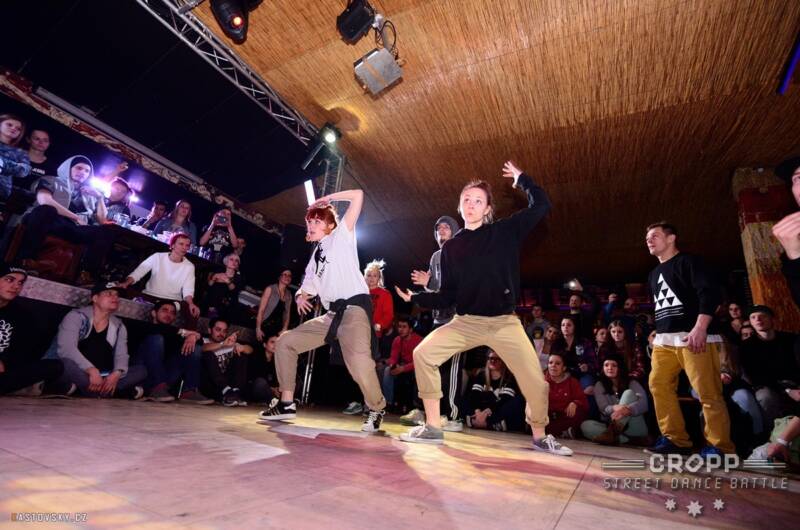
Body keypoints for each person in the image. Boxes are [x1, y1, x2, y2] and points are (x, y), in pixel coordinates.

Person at [395, 161, 572, 455]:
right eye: (466, 199)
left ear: (488, 208)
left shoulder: (504, 231)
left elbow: (541, 206)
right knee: (423, 354)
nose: (471, 205)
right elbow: (448, 296)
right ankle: (433, 426)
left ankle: (541, 437)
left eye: (478, 201)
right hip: (466, 322)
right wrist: (417, 298)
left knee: (536, 383)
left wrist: (522, 180)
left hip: (504, 322)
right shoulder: (451, 248)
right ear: (459, 206)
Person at [258, 189, 387, 433]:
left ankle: (377, 407)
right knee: (285, 342)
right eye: (309, 222)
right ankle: (286, 403)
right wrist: (300, 296)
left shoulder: (341, 236)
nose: (311, 225)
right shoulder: (315, 257)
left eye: (317, 221)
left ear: (330, 225)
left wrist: (329, 199)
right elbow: (307, 288)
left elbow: (358, 195)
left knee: (359, 363)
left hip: (354, 309)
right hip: (331, 315)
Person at [645, 221, 734, 456]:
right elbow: (662, 307)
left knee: (707, 392)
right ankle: (675, 439)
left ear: (671, 238)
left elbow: (709, 293)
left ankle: (720, 446)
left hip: (693, 337)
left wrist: (700, 327)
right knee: (658, 385)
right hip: (664, 341)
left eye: (655, 236)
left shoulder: (690, 262)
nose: (649, 240)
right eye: (647, 238)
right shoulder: (653, 274)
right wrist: (657, 333)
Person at [402, 215, 465, 431]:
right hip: (439, 317)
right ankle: (425, 410)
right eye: (439, 228)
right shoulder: (436, 257)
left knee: (452, 368)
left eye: (447, 227)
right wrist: (424, 288)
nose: (442, 231)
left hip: (458, 318)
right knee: (426, 360)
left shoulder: (461, 253)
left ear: (455, 232)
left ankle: (454, 416)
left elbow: (454, 288)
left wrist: (429, 283)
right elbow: (436, 290)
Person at [48, 281, 146, 399]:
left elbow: (121, 355)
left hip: (102, 374)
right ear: (95, 298)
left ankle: (81, 390)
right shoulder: (76, 317)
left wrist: (116, 374)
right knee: (64, 364)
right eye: (109, 293)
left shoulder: (119, 326)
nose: (115, 297)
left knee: (141, 370)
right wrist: (91, 370)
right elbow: (67, 349)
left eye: (117, 295)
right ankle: (108, 392)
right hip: (80, 370)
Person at [16, 155, 110, 275]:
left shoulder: (89, 193)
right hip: (49, 221)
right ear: (68, 168)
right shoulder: (51, 180)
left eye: (87, 171)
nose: (83, 173)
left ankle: (87, 274)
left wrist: (100, 197)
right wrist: (75, 217)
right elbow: (44, 200)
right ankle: (27, 260)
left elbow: (102, 220)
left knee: (104, 232)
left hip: (72, 228)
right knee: (46, 210)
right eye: (79, 168)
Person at [0, 263, 67, 395]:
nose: (16, 286)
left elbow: (20, 352)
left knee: (54, 366)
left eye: (20, 282)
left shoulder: (21, 314)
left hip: (5, 372)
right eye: (9, 279)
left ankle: (10, 386)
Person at [133, 299, 211, 404]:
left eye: (172, 313)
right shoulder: (143, 327)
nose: (168, 314)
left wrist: (193, 337)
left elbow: (200, 343)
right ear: (154, 313)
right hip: (142, 375)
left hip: (165, 379)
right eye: (164, 310)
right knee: (156, 339)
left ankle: (189, 391)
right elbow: (158, 329)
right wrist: (186, 332)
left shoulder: (175, 335)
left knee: (195, 348)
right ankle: (156, 387)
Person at [118, 233, 200, 329]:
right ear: (172, 245)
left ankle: (190, 336)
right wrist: (126, 283)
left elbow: (188, 289)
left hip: (172, 301)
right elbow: (138, 273)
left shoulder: (189, 266)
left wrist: (191, 303)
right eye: (181, 244)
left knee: (193, 311)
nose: (184, 248)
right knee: (124, 294)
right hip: (150, 295)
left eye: (187, 245)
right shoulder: (158, 257)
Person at [737, 305, 800, 430]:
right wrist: (787, 391)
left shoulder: (791, 339)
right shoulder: (746, 347)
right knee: (766, 397)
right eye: (753, 317)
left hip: (795, 381)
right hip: (768, 386)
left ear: (772, 319)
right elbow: (756, 377)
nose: (758, 320)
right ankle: (774, 433)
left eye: (763, 316)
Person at [581, 355, 650, 446]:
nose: (610, 368)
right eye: (606, 365)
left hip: (634, 427)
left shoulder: (631, 382)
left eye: (614, 365)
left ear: (620, 368)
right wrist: (614, 408)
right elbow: (603, 408)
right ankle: (625, 440)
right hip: (611, 425)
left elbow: (644, 403)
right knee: (585, 426)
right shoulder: (599, 385)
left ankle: (614, 435)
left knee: (628, 393)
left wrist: (628, 409)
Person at [465, 349, 527, 432]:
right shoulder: (481, 375)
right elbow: (474, 396)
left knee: (518, 401)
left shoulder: (509, 378)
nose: (493, 361)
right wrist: (478, 412)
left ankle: (481, 423)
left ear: (503, 361)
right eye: (490, 358)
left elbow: (505, 401)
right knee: (467, 399)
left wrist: (486, 412)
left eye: (497, 359)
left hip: (496, 412)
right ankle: (494, 424)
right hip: (483, 411)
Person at [201, 317, 253, 407]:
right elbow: (203, 348)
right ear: (209, 330)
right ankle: (227, 392)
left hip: (228, 383)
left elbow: (250, 350)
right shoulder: (203, 341)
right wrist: (222, 345)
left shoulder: (229, 343)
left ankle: (235, 392)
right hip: (211, 384)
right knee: (208, 354)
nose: (221, 334)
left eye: (224, 331)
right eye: (218, 330)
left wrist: (242, 347)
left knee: (241, 354)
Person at [382, 315, 422, 412]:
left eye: (404, 327)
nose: (401, 329)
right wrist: (393, 366)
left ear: (410, 329)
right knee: (387, 370)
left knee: (417, 373)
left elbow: (419, 362)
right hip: (403, 366)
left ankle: (416, 404)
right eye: (399, 326)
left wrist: (403, 368)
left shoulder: (419, 340)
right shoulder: (397, 340)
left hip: (417, 367)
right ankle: (388, 403)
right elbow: (393, 358)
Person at [544, 352, 588, 439]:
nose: (553, 366)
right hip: (547, 416)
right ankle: (561, 432)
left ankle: (561, 431)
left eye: (557, 363)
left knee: (579, 412)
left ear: (564, 368)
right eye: (550, 363)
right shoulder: (542, 380)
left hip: (565, 417)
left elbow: (584, 402)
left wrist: (575, 403)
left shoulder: (572, 382)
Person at [551, 316, 597, 394]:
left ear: (575, 327)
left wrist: (587, 367)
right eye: (563, 325)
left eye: (569, 325)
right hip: (562, 374)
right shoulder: (556, 343)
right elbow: (553, 362)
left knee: (588, 388)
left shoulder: (584, 342)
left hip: (582, 374)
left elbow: (594, 362)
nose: (565, 327)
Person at [255, 269, 293, 342]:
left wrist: (284, 328)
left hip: (278, 329)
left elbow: (287, 313)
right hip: (264, 325)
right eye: (285, 274)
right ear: (279, 277)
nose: (287, 277)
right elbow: (261, 310)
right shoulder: (270, 289)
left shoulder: (289, 295)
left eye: (289, 276)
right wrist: (258, 328)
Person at [205, 252, 244, 320]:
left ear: (238, 265)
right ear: (226, 262)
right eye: (231, 259)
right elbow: (208, 286)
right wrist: (213, 278)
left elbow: (234, 292)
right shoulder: (218, 271)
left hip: (226, 306)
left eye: (236, 260)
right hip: (210, 304)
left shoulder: (238, 277)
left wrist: (228, 281)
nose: (234, 262)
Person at [0, 114, 30, 198]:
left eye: (18, 129)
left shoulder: (20, 152)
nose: (13, 129)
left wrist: (3, 164)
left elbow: (25, 170)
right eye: (9, 125)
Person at [248, 334, 280, 404]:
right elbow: (254, 378)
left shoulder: (277, 361)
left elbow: (275, 380)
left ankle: (276, 400)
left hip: (270, 390)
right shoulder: (257, 357)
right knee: (260, 383)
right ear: (265, 345)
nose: (275, 345)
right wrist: (272, 388)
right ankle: (275, 401)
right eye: (272, 342)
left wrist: (277, 388)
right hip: (255, 388)